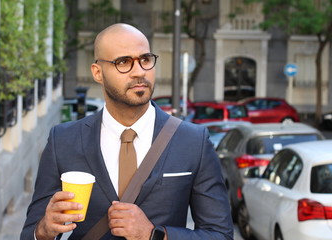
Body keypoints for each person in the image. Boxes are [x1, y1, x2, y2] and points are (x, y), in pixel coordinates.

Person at [21, 23, 233, 240]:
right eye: (123, 62)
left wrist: (154, 235)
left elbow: (220, 235)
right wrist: (44, 230)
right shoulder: (63, 141)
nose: (139, 72)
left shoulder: (193, 141)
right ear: (98, 73)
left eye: (145, 60)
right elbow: (30, 234)